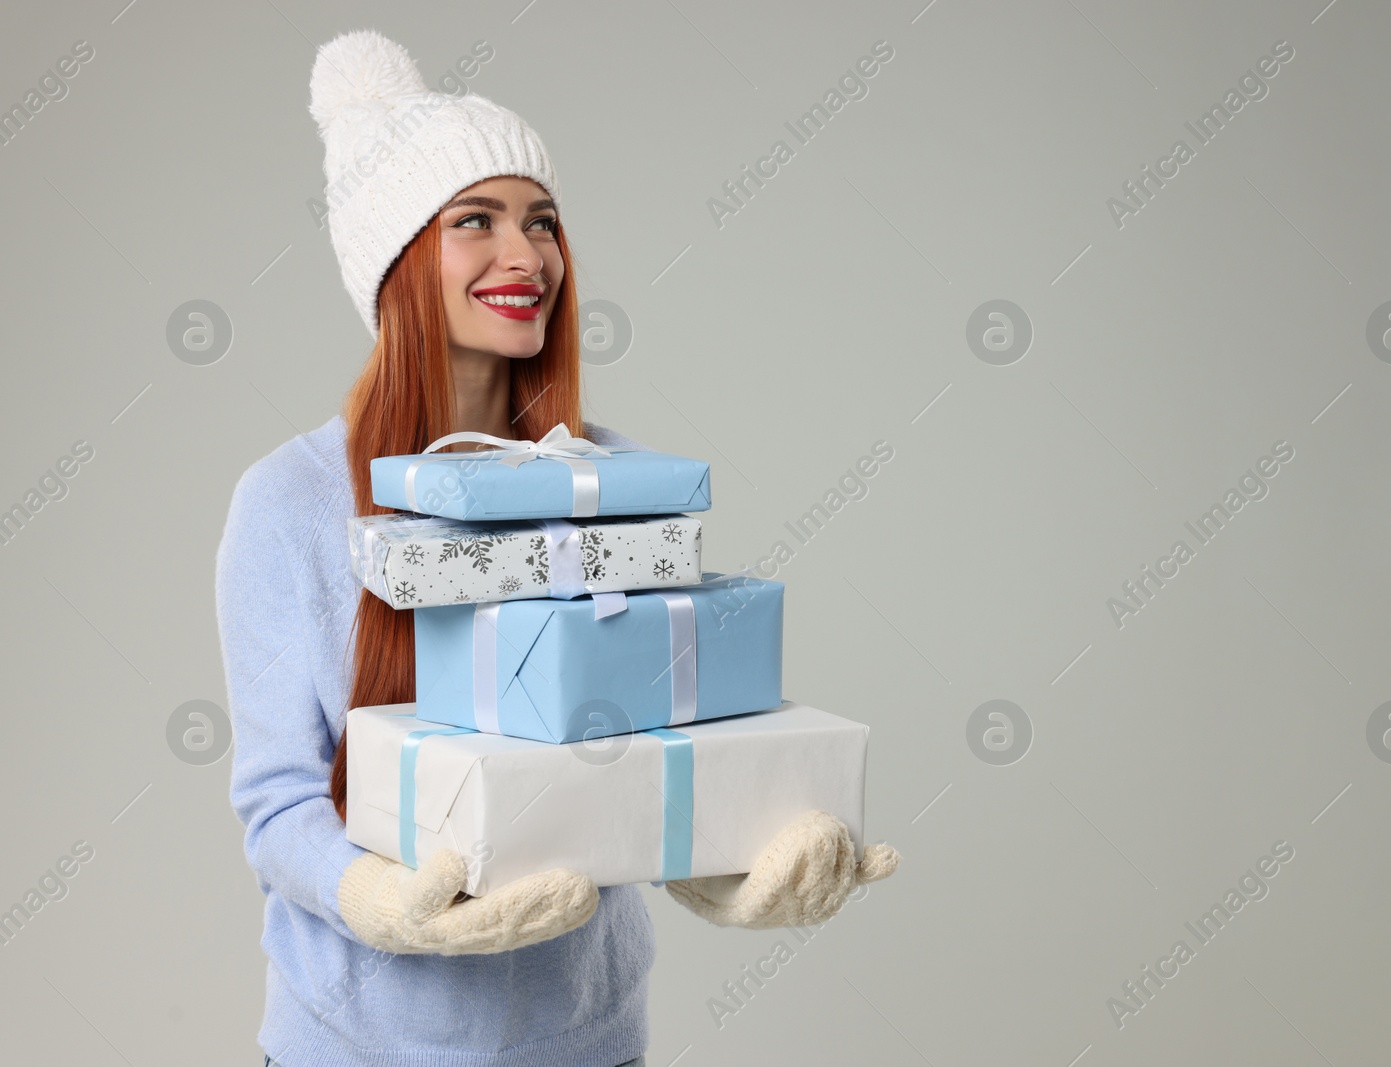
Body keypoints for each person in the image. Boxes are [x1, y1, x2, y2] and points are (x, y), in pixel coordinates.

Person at [215, 29, 899, 1067]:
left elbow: (651, 745)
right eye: (474, 222)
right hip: (353, 1047)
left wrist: (726, 860)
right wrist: (380, 898)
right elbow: (278, 801)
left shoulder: (615, 485)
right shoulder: (288, 505)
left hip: (584, 1043)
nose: (526, 256)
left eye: (542, 222)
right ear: (397, 258)